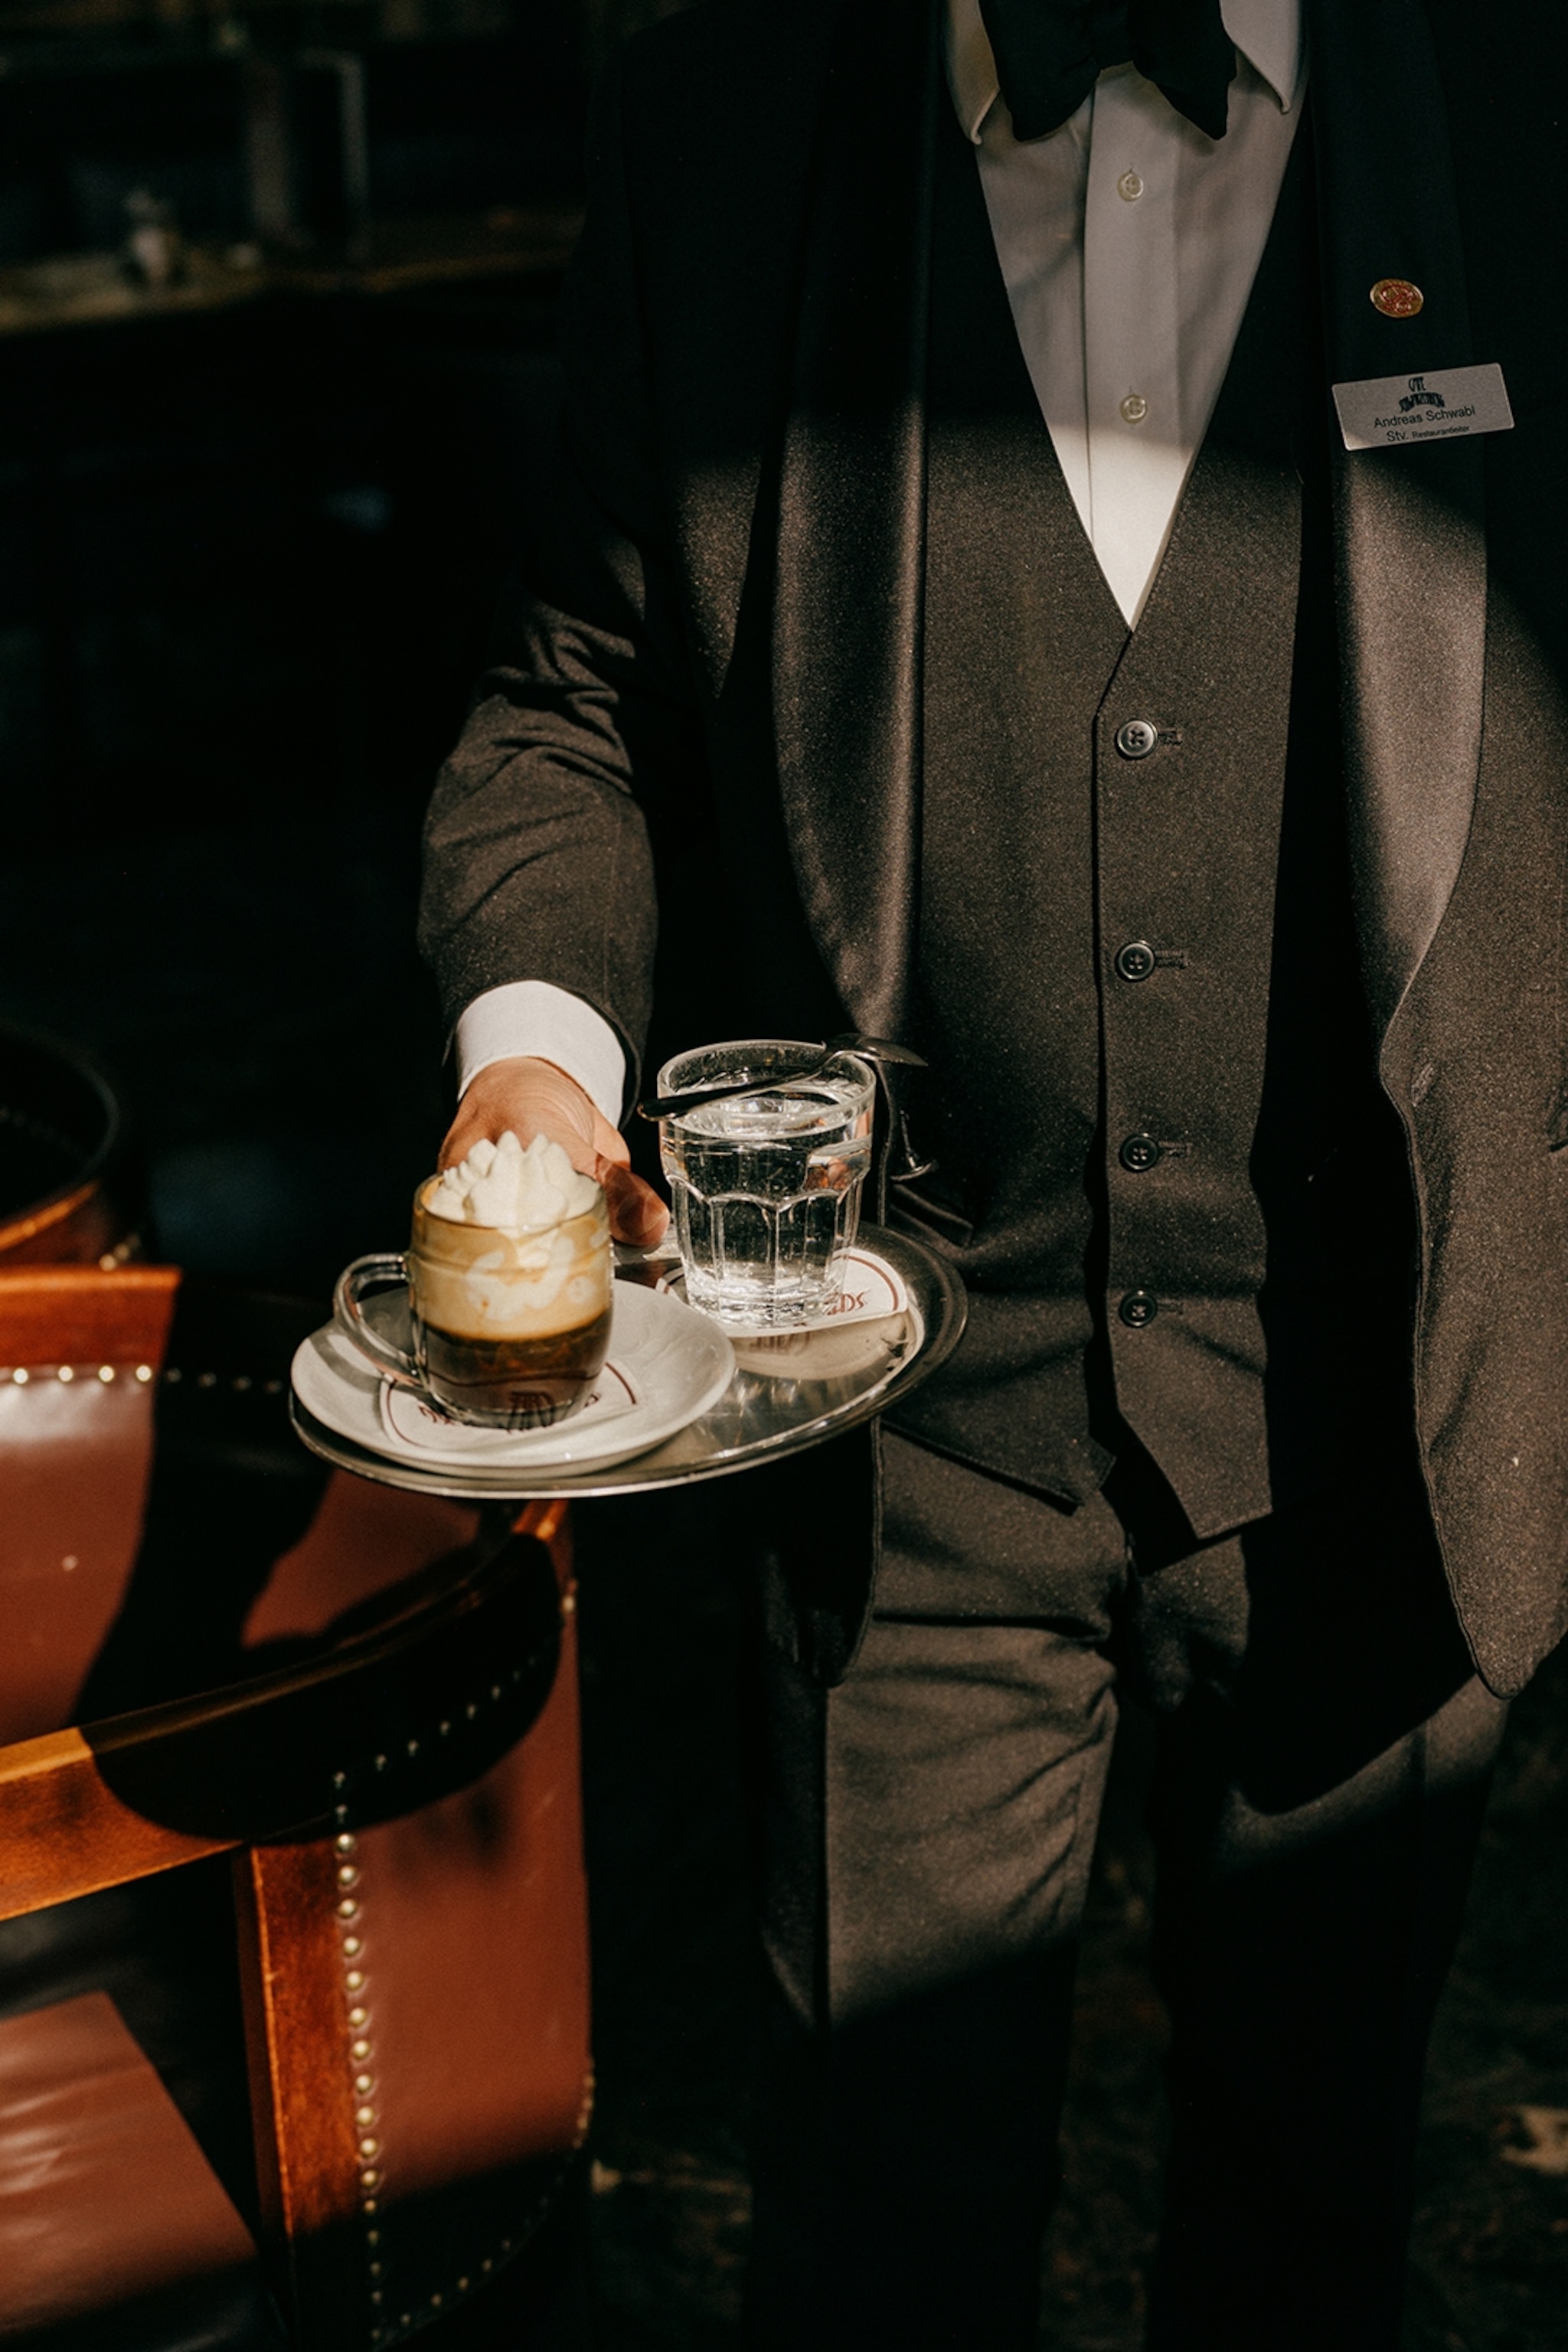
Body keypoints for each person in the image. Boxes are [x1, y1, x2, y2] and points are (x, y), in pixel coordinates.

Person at [419, 0, 1568, 2342]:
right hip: (903, 1432)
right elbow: (575, 702)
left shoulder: (1524, 93)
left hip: (1395, 1416)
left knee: (1311, 2206)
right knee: (879, 2234)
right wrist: (533, 1062)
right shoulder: (721, 123)